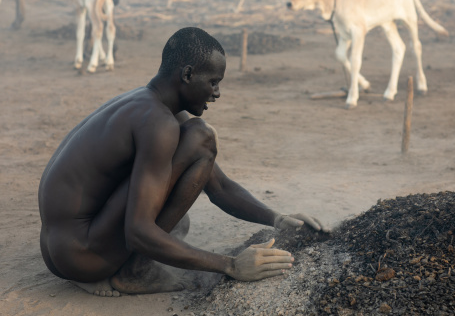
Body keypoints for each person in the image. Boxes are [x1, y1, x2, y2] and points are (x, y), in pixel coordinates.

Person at [38, 27, 328, 297]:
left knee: (190, 164)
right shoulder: (158, 123)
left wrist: (277, 219)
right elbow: (138, 232)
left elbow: (220, 188)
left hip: (60, 250)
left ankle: (116, 265)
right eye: (213, 82)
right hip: (85, 256)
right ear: (188, 74)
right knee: (202, 136)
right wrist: (231, 265)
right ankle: (135, 271)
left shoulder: (145, 104)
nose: (217, 93)